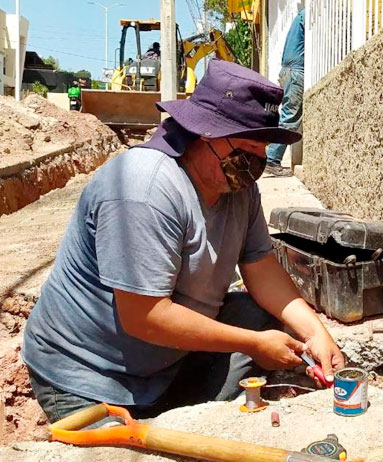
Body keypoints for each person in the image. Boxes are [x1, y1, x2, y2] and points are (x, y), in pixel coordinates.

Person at [21, 60, 345, 424]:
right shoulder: (144, 189)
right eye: (247, 151)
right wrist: (253, 344)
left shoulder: (239, 189)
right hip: (90, 376)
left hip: (165, 365)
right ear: (205, 134)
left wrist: (316, 331)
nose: (255, 165)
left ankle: (188, 415)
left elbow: (261, 267)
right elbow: (145, 317)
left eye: (261, 153)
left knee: (259, 317)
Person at [265, 8, 304, 177]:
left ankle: (271, 157)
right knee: (290, 117)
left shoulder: (299, 16)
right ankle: (272, 159)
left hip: (287, 70)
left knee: (287, 114)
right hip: (296, 71)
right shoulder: (307, 16)